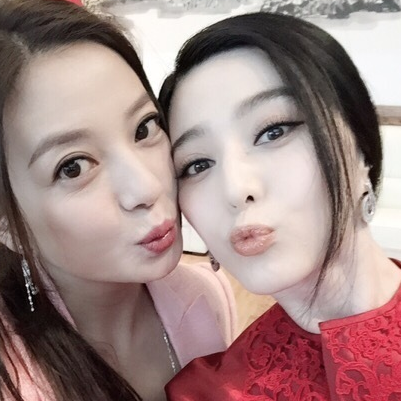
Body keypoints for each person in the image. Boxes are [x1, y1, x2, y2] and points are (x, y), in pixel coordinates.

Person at [0, 1, 238, 400]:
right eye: (73, 167)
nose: (146, 188)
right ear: (0, 221)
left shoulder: (207, 297)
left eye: (145, 128)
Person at [159, 12, 401, 400]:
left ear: (359, 144)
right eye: (197, 165)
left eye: (273, 131)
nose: (236, 189)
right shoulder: (211, 393)